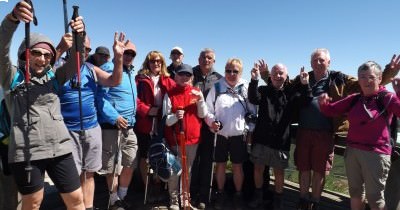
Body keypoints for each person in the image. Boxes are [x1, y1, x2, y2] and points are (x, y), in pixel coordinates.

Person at [259, 48, 400, 210]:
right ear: (310, 63)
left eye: (322, 60)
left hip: (326, 132)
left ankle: (315, 202)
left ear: (329, 62)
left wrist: (390, 71)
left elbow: (368, 83)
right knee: (303, 167)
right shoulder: (303, 78)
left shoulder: (339, 79)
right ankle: (303, 200)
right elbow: (283, 85)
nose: (318, 63)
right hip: (303, 131)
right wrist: (265, 75)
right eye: (315, 60)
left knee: (320, 170)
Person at [0, 1, 86, 209]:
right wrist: (12, 20)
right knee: (33, 202)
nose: (42, 58)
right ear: (24, 54)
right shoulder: (11, 77)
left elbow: (78, 60)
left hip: (61, 148)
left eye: (47, 55)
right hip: (26, 151)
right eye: (36, 53)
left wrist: (79, 36)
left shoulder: (55, 77)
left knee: (76, 199)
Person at [318, 61, 400, 210]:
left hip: (376, 154)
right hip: (353, 151)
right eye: (362, 76)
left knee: (375, 198)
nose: (366, 80)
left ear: (380, 78)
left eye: (371, 77)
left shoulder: (388, 98)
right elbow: (331, 110)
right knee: (355, 193)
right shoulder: (355, 98)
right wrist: (323, 104)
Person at [58, 32, 126, 210]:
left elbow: (114, 81)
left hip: (91, 128)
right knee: (71, 176)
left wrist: (118, 58)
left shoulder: (90, 69)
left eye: (87, 49)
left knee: (89, 174)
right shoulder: (59, 68)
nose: (84, 52)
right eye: (81, 48)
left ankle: (88, 207)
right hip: (67, 130)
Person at [247, 62, 311, 209]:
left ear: (286, 76)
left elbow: (306, 101)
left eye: (281, 73)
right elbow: (253, 98)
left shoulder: (291, 94)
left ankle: (278, 201)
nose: (278, 75)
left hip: (280, 141)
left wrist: (305, 84)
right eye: (275, 73)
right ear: (270, 75)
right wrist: (254, 79)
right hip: (261, 138)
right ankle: (259, 196)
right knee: (258, 168)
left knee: (279, 172)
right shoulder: (263, 90)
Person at [205, 58, 256, 210]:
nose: (231, 74)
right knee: (220, 165)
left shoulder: (246, 87)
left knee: (237, 167)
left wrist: (250, 130)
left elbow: (253, 112)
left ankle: (238, 195)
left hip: (239, 134)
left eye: (235, 71)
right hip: (219, 134)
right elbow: (208, 109)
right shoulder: (217, 86)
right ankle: (220, 194)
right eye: (228, 70)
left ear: (240, 72)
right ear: (225, 70)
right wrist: (212, 122)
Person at [97, 40, 138, 209]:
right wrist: (114, 117)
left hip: (129, 127)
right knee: (112, 166)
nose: (128, 56)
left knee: (130, 162)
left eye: (131, 54)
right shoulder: (107, 68)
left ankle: (122, 196)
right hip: (112, 126)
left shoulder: (130, 72)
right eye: (125, 52)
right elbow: (100, 97)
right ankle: (114, 200)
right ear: (118, 52)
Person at [162, 64, 208, 210]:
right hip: (175, 139)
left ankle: (185, 200)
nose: (184, 77)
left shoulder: (196, 92)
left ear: (191, 77)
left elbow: (202, 115)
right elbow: (166, 120)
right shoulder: (170, 93)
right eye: (181, 74)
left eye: (187, 75)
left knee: (188, 170)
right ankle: (174, 200)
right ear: (175, 76)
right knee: (175, 170)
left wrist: (200, 99)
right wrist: (176, 116)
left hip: (193, 139)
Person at [135, 50, 175, 203]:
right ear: (148, 63)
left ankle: (158, 183)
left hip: (163, 122)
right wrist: (147, 110)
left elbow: (176, 94)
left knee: (161, 153)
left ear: (162, 63)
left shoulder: (168, 79)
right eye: (152, 61)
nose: (156, 63)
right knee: (145, 156)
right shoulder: (140, 79)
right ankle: (148, 186)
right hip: (145, 122)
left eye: (159, 61)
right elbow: (135, 100)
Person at [190, 48, 222, 209]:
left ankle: (204, 197)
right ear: (198, 58)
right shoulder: (190, 73)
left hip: (209, 127)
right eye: (203, 57)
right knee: (193, 161)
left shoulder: (219, 79)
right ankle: (190, 193)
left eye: (209, 58)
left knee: (208, 162)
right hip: (191, 125)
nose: (206, 60)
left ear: (214, 61)